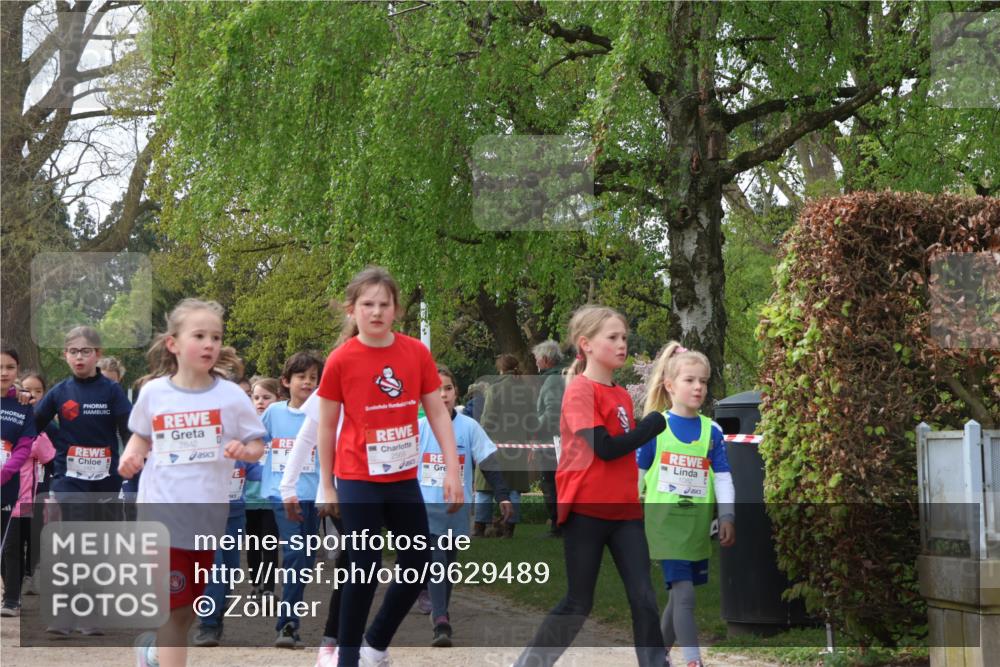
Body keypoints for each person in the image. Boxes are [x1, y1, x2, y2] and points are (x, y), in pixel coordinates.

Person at [314, 265, 463, 667]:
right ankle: (347, 659)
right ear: (352, 309)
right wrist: (327, 487)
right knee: (363, 566)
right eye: (367, 304)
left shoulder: (415, 352)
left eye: (384, 304)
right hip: (357, 477)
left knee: (417, 560)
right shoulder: (341, 360)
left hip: (401, 478)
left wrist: (453, 470)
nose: (376, 312)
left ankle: (375, 644)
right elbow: (326, 427)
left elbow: (436, 413)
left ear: (397, 310)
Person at [511, 305, 667, 667]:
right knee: (579, 602)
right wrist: (651, 425)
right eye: (612, 337)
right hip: (586, 511)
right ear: (587, 345)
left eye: (624, 337)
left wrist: (646, 425)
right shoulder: (580, 390)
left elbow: (627, 449)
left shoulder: (623, 396)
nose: (621, 344)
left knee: (644, 597)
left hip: (625, 511)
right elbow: (606, 449)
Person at [119, 298, 265, 667]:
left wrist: (244, 451)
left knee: (185, 614)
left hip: (206, 522)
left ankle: (152, 653)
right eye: (199, 335)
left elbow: (258, 444)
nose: (209, 344)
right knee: (173, 609)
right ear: (174, 344)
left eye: (215, 337)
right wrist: (130, 455)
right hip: (161, 518)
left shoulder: (231, 396)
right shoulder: (154, 393)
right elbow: (140, 436)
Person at [638, 342, 735, 667]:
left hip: (695, 530)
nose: (698, 387)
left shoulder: (712, 432)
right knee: (686, 596)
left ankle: (657, 658)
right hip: (664, 529)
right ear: (670, 385)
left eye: (703, 381)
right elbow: (636, 477)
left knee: (678, 598)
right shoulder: (654, 429)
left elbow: (723, 477)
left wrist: (728, 516)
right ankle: (694, 661)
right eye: (690, 380)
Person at [34, 326, 131, 634]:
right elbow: (33, 423)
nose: (79, 357)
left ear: (97, 355)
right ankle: (65, 615)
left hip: (105, 480)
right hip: (69, 480)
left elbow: (128, 432)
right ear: (65, 355)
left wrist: (136, 461)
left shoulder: (111, 391)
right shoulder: (60, 392)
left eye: (85, 351)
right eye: (73, 352)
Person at [418, 365, 512, 647]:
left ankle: (439, 609)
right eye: (435, 389)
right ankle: (441, 620)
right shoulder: (419, 427)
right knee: (436, 560)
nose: (442, 394)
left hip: (456, 509)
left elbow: (489, 462)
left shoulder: (469, 427)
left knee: (447, 565)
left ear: (455, 392)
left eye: (447, 388)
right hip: (425, 506)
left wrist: (503, 495)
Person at [261, 351, 323, 649]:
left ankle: (290, 619)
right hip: (281, 495)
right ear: (286, 381)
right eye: (302, 377)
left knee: (304, 561)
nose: (308, 383)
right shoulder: (273, 413)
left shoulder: (324, 413)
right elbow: (255, 442)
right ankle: (287, 624)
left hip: (314, 497)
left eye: (314, 378)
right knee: (296, 552)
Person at [279, 388, 346, 667]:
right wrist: (287, 487)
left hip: (385, 488)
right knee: (357, 562)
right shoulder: (335, 380)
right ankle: (337, 639)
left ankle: (344, 637)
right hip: (344, 491)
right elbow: (307, 437)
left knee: (365, 564)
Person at [473, 354, 535, 538]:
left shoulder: (495, 389)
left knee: (485, 488)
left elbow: (488, 420)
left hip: (493, 446)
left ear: (500, 369)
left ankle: (479, 529)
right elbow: (532, 420)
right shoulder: (526, 391)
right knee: (514, 489)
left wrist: (479, 436)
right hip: (518, 447)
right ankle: (509, 529)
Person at [0, 347, 38, 618]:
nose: (4, 373)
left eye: (10, 367)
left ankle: (11, 598)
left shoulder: (23, 406)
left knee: (8, 544)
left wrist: (5, 472)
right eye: (0, 367)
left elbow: (25, 447)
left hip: (7, 486)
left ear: (17, 370)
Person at [16, 371, 57, 596]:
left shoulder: (48, 426)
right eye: (27, 390)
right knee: (15, 535)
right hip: (14, 489)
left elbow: (55, 458)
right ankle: (18, 575)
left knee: (34, 532)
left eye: (38, 391)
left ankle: (30, 573)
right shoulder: (10, 420)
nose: (32, 395)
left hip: (40, 488)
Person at [245, 376, 281, 598]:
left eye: (266, 397)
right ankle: (256, 585)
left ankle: (268, 589)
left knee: (269, 544)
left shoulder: (279, 426)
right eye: (256, 397)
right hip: (248, 497)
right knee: (253, 544)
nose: (260, 402)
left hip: (270, 498)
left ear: (278, 398)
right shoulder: (245, 428)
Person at [532, 340, 566, 537]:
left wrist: (536, 429)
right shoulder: (565, 375)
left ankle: (557, 525)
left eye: (537, 359)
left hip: (552, 440)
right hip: (562, 439)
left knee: (551, 483)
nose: (536, 363)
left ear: (545, 359)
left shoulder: (552, 379)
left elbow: (552, 410)